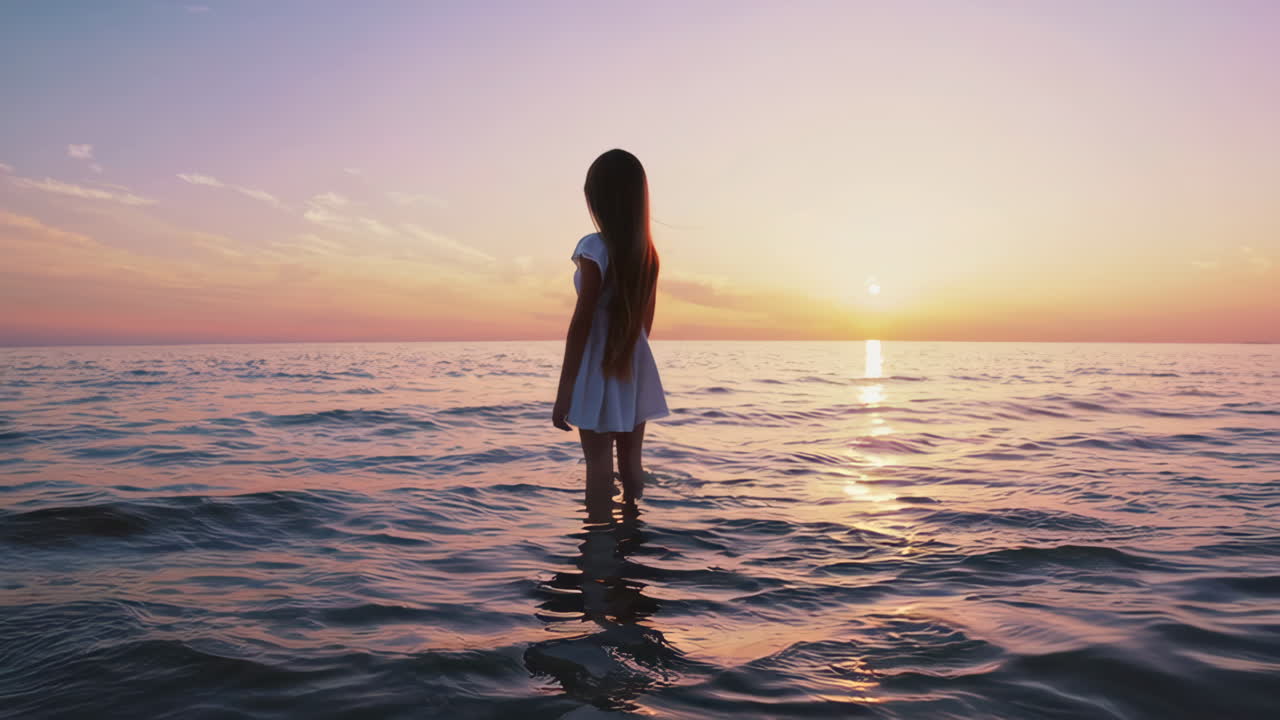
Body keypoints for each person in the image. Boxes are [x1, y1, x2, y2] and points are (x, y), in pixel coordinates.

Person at [552, 149, 669, 521]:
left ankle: (597, 549)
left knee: (598, 465)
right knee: (632, 466)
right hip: (633, 364)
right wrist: (631, 358)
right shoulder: (648, 253)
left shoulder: (593, 247)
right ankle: (633, 539)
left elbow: (582, 319)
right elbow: (645, 323)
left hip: (599, 363)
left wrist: (565, 388)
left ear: (599, 199)